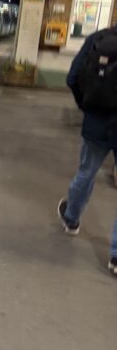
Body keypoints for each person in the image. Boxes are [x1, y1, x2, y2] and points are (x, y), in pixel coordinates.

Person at [58, 23, 117, 274]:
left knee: (86, 173)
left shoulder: (98, 38)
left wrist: (88, 107)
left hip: (97, 123)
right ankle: (115, 256)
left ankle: (71, 219)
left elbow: (72, 77)